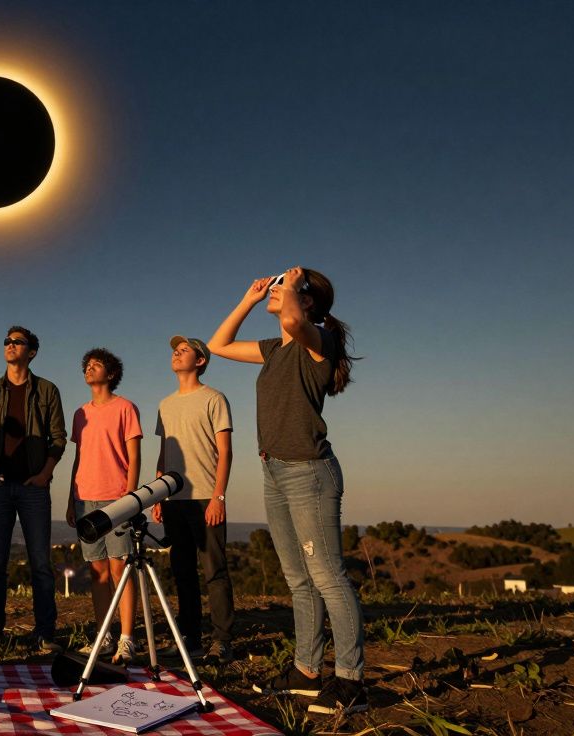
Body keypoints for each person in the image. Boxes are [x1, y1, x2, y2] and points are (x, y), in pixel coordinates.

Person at [208, 266, 366, 715]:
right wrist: (249, 299)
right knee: (299, 580)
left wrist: (295, 282)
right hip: (274, 472)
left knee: (329, 578)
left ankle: (352, 682)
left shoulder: (317, 340)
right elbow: (218, 345)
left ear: (308, 299)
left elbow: (296, 322)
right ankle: (306, 671)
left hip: (309, 475)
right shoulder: (273, 349)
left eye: (285, 287)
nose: (276, 290)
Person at [0, 325, 67, 653]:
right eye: (7, 341)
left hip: (33, 488)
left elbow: (58, 438)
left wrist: (45, 474)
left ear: (32, 351)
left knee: (40, 562)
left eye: (18, 342)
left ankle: (44, 633)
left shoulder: (47, 390)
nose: (10, 346)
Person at [150, 336, 235, 662]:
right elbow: (163, 453)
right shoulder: (165, 404)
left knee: (214, 570)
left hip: (205, 498)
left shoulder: (214, 399)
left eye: (184, 350)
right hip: (173, 499)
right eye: (175, 349)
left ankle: (222, 641)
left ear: (200, 360)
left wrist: (219, 496)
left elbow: (225, 451)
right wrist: (158, 495)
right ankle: (190, 639)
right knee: (182, 570)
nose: (176, 353)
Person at [65, 349, 143, 663]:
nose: (89, 368)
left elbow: (134, 456)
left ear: (110, 374)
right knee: (97, 571)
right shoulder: (80, 413)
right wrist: (72, 498)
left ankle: (127, 638)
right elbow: (78, 458)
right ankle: (104, 636)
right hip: (85, 498)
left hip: (117, 499)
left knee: (120, 569)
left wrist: (131, 496)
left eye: (96, 364)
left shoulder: (126, 408)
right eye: (87, 365)